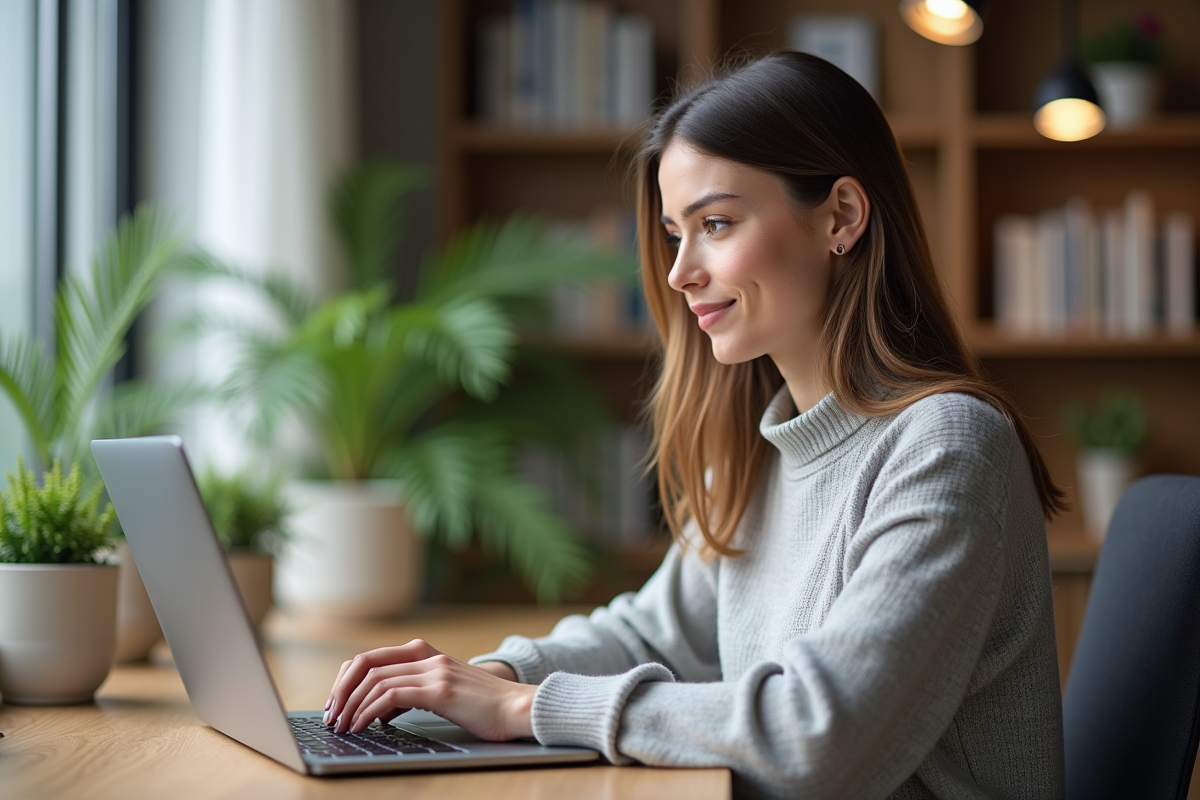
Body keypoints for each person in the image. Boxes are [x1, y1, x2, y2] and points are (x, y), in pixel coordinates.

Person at [323, 51, 1067, 799]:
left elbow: (820, 736)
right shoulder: (763, 452)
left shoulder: (946, 446)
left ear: (841, 216)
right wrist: (488, 676)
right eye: (677, 232)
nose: (679, 272)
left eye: (715, 223)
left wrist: (525, 707)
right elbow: (650, 636)